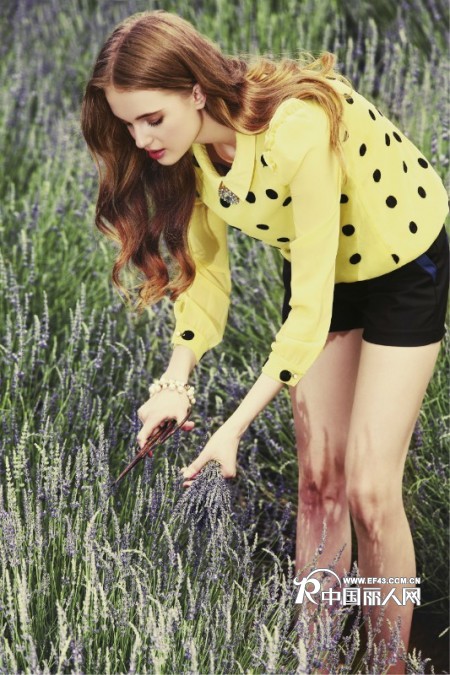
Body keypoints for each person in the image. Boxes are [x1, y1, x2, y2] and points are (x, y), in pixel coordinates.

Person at [81, 10, 449, 672]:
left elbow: (308, 313)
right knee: (317, 484)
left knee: (370, 490)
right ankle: (318, 659)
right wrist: (175, 382)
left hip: (402, 263)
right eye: (128, 124)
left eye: (152, 118)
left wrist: (234, 428)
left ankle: (389, 662)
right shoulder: (190, 152)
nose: (141, 139)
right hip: (322, 270)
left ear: (196, 91)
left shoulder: (295, 129)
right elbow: (204, 277)